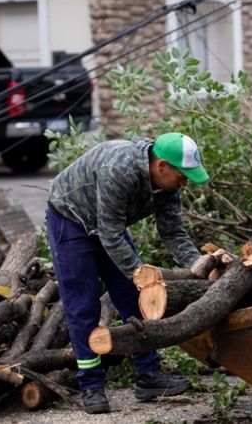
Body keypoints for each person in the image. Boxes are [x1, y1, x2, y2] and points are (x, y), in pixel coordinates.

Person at [44, 132, 209, 414]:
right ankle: (91, 385)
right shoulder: (120, 170)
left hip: (109, 226)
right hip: (72, 221)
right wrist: (139, 272)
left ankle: (149, 375)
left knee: (134, 297)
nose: (185, 183)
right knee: (83, 304)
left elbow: (172, 232)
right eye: (183, 176)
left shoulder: (168, 186)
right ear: (162, 167)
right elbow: (109, 234)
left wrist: (199, 265)